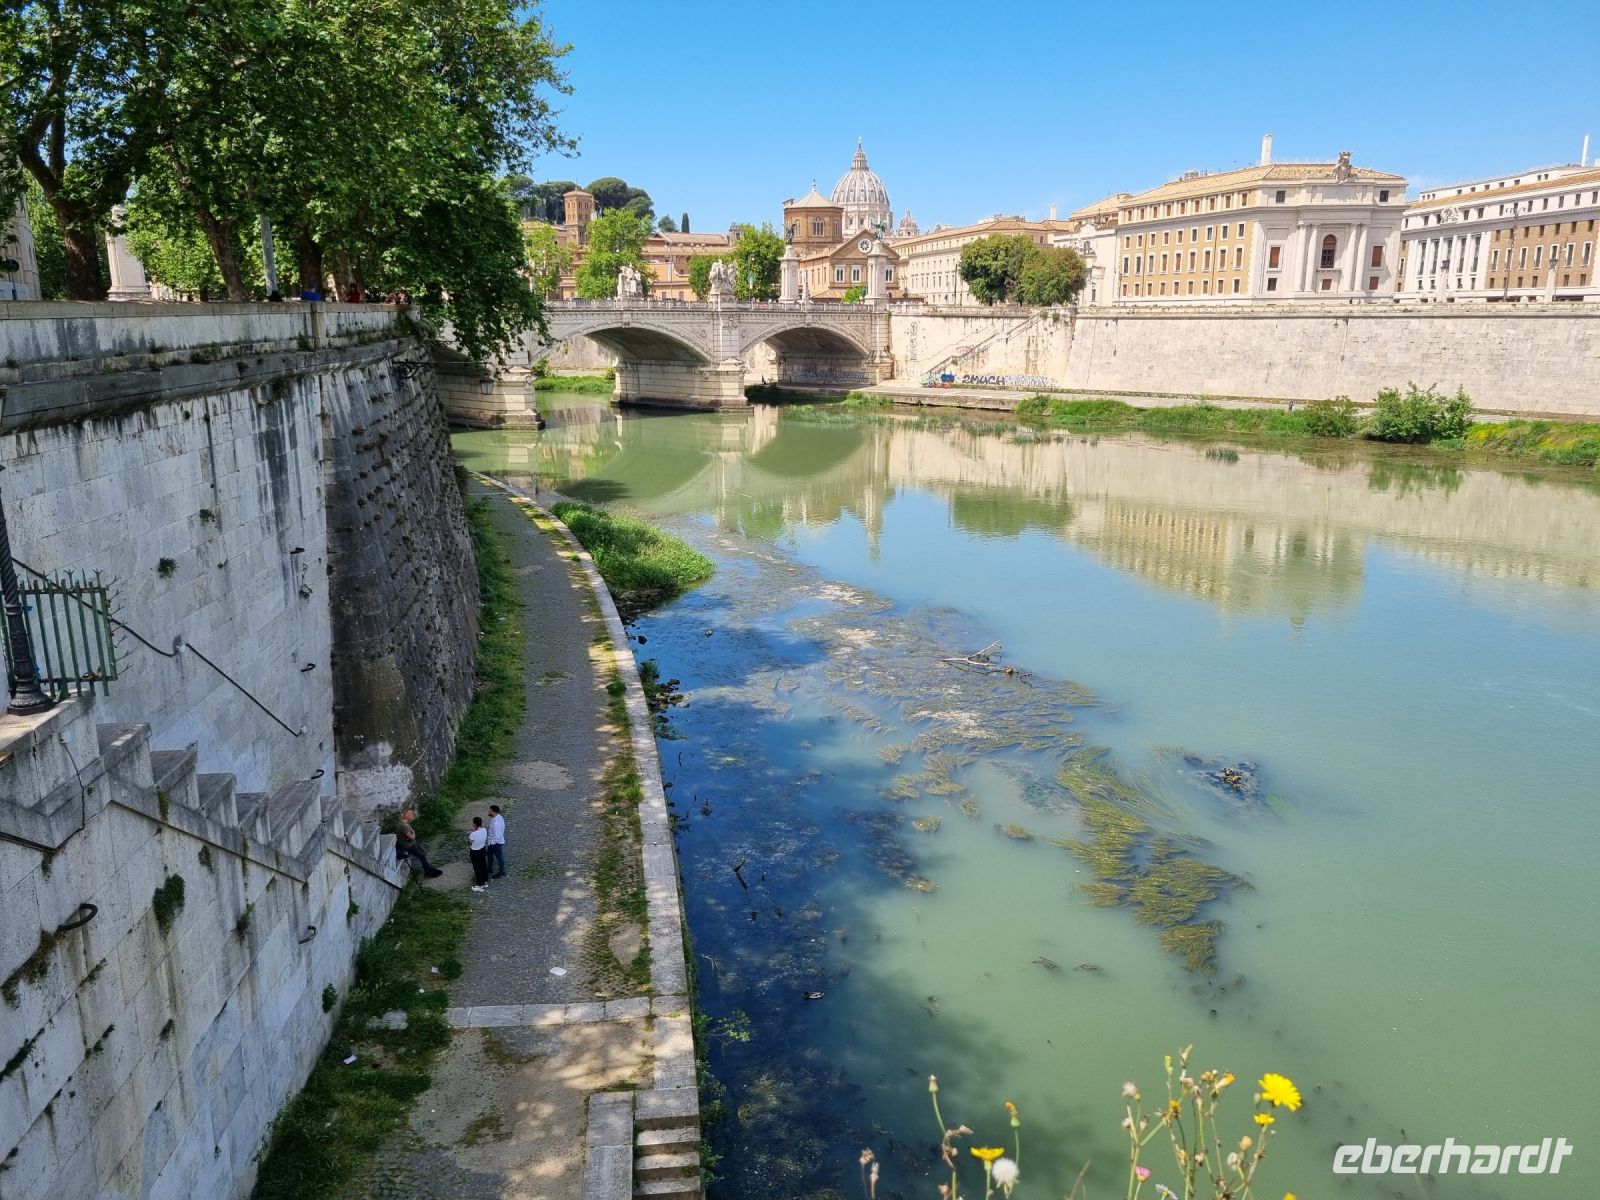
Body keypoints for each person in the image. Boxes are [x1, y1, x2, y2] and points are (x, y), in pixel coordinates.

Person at [395, 808, 443, 877]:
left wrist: (412, 835)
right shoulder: (404, 826)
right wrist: (413, 834)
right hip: (408, 845)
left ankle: (430, 869)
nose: (413, 815)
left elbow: (410, 835)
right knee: (422, 856)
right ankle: (428, 873)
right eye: (410, 814)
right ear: (406, 815)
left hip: (411, 842)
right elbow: (412, 836)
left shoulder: (403, 822)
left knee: (423, 853)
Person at [468, 816, 490, 892]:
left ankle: (480, 885)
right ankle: (485, 881)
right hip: (482, 849)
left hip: (475, 852)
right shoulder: (484, 830)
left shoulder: (473, 834)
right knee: (483, 865)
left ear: (474, 824)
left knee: (477, 868)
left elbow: (469, 843)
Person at [487, 805, 506, 878]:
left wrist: (492, 843)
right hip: (493, 842)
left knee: (499, 857)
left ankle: (501, 872)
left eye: (490, 810)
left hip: (495, 843)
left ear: (494, 812)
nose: (489, 811)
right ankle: (489, 868)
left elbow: (497, 836)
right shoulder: (498, 817)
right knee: (489, 855)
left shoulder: (496, 823)